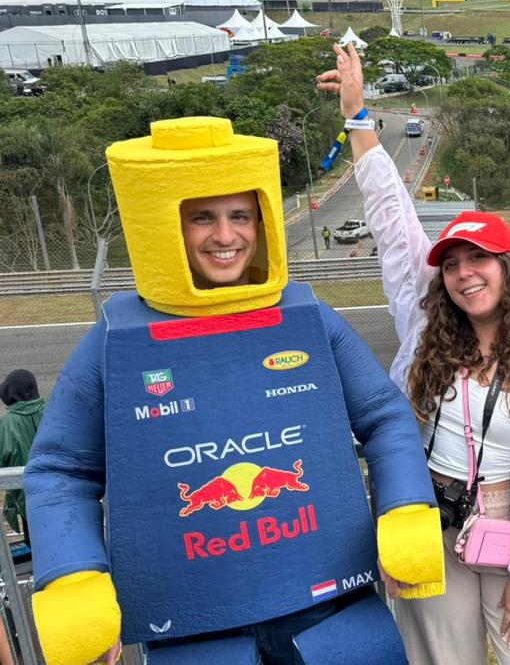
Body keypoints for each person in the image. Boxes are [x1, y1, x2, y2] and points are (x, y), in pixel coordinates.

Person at [23, 115, 445, 665]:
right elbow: (60, 468)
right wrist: (74, 574)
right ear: (165, 224)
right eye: (203, 217)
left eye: (240, 215)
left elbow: (384, 416)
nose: (226, 236)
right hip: (195, 630)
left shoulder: (308, 318)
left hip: (331, 612)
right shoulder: (114, 342)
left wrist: (406, 509)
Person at [319, 41, 510, 665]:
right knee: (440, 659)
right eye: (453, 264)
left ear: (509, 268)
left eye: (480, 260)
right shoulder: (426, 326)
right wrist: (358, 118)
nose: (466, 274)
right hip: (435, 522)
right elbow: (391, 219)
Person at [0, 369, 44, 539]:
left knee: (36, 545)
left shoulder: (6, 425)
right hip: (63, 495)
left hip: (27, 501)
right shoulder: (53, 409)